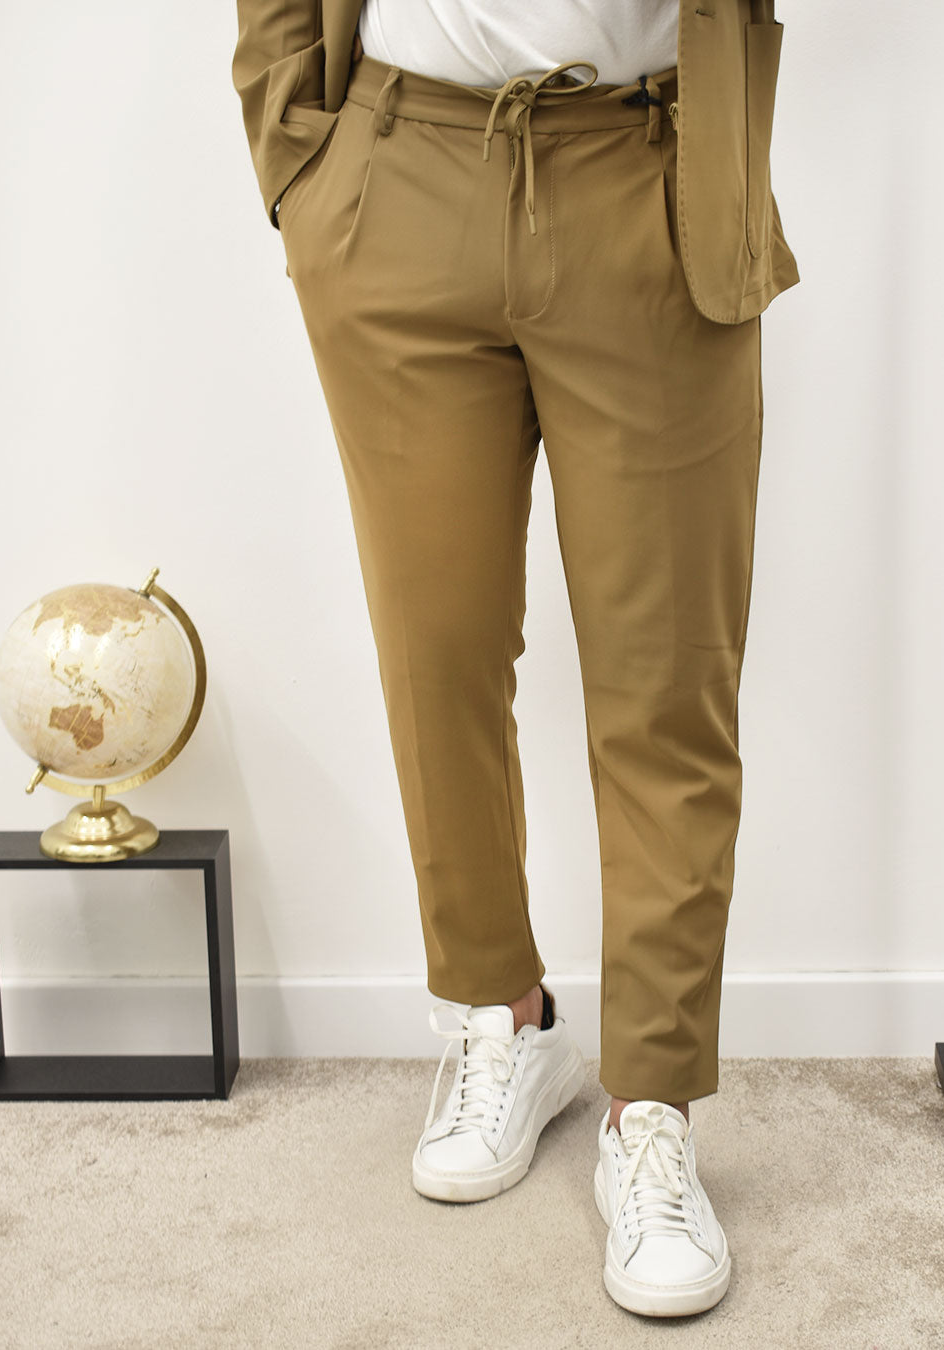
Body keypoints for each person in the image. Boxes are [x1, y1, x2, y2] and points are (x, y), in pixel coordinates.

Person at [232, 0, 799, 1320]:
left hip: (650, 171)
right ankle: (503, 1013)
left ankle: (651, 1106)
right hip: (398, 166)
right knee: (437, 648)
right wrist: (298, 159)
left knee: (666, 676)